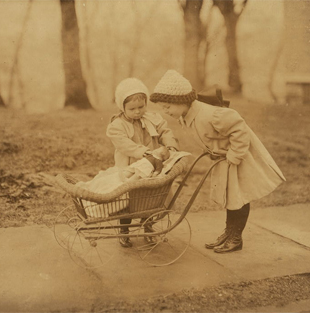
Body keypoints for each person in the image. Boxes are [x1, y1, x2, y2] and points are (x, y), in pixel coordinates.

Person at [150, 70, 286, 253]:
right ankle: (229, 232)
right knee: (231, 198)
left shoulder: (211, 114)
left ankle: (236, 237)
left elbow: (239, 128)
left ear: (180, 101)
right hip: (224, 160)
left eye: (167, 107)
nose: (166, 112)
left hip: (238, 160)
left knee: (239, 198)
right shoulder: (187, 115)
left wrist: (235, 155)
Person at [107, 78, 179, 248]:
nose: (138, 112)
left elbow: (164, 131)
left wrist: (170, 144)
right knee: (128, 200)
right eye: (132, 109)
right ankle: (124, 230)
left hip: (151, 165)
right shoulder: (117, 125)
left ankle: (148, 226)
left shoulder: (153, 118)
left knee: (150, 198)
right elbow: (123, 143)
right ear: (121, 107)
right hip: (130, 167)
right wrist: (142, 151)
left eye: (141, 107)